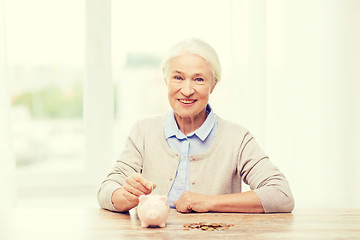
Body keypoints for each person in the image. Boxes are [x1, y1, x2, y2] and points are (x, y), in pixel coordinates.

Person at [97, 38, 294, 213]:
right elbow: (106, 189)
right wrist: (125, 196)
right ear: (166, 80)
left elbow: (281, 195)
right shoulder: (143, 131)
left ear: (213, 85)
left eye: (199, 79)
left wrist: (207, 202)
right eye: (178, 77)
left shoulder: (237, 138)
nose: (187, 90)